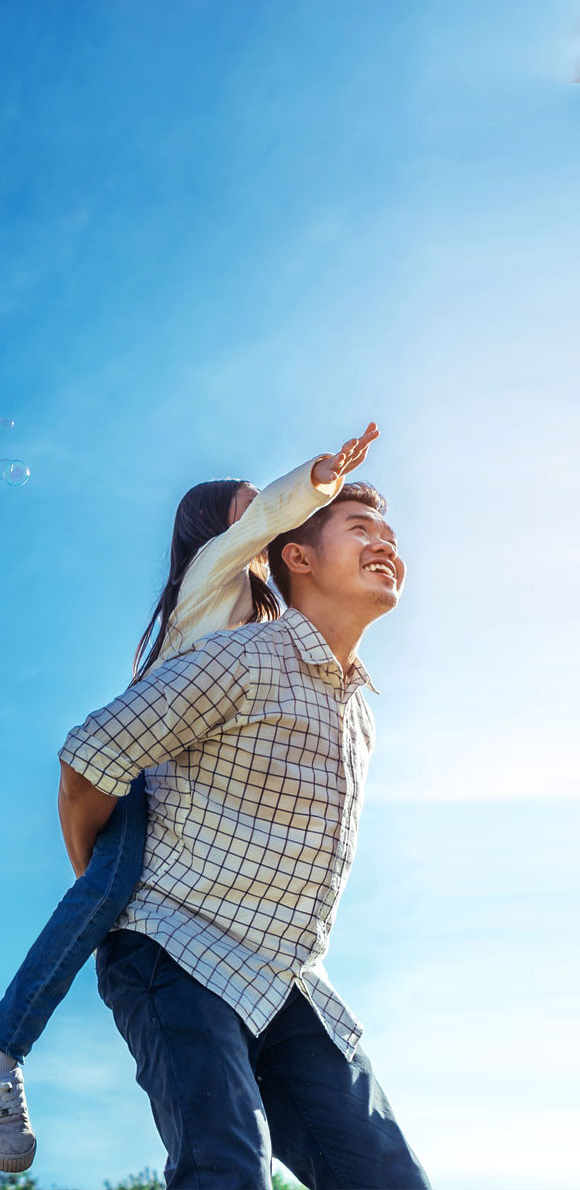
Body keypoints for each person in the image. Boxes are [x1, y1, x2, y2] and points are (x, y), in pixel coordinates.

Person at [0, 422, 378, 1174]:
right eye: (252, 507)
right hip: (145, 779)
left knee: (99, 898)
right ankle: (6, 1047)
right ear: (220, 528)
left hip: (185, 787)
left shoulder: (263, 621)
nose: (267, 516)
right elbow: (274, 515)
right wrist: (320, 480)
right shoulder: (212, 573)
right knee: (101, 892)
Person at [56, 474, 431, 1189]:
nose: (384, 543)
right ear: (297, 557)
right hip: (176, 947)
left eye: (389, 537)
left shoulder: (361, 714)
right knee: (226, 1170)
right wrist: (105, 900)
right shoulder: (243, 657)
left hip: (287, 975)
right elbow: (88, 760)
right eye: (360, 529)